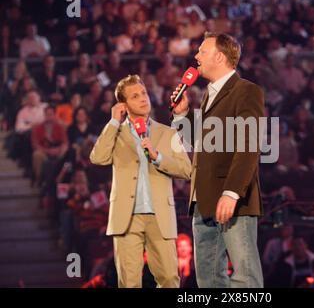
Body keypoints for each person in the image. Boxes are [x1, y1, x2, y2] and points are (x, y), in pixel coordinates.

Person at [171, 32, 265, 287]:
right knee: (209, 279)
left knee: (245, 276)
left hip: (231, 199)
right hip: (202, 198)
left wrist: (232, 192)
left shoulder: (246, 91)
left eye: (202, 51)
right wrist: (183, 117)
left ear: (220, 57)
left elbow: (249, 146)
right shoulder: (208, 94)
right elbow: (201, 144)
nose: (196, 56)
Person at [90, 75, 191, 288]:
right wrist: (114, 121)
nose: (143, 99)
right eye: (135, 96)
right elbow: (98, 158)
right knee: (128, 283)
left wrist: (158, 158)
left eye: (144, 93)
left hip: (160, 215)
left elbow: (186, 170)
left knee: (170, 280)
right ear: (123, 105)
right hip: (126, 217)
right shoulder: (115, 132)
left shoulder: (167, 132)